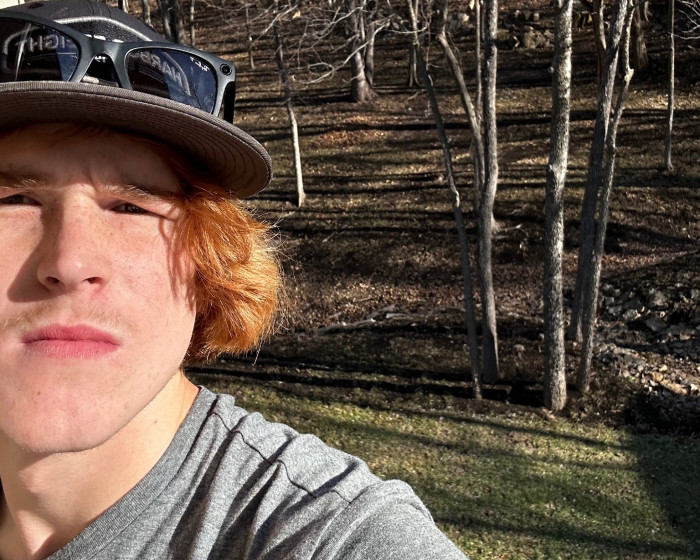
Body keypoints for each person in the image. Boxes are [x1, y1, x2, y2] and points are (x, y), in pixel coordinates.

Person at [0, 1, 469, 559]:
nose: (70, 262)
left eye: (131, 208)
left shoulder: (329, 537)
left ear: (209, 264)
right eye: (16, 199)